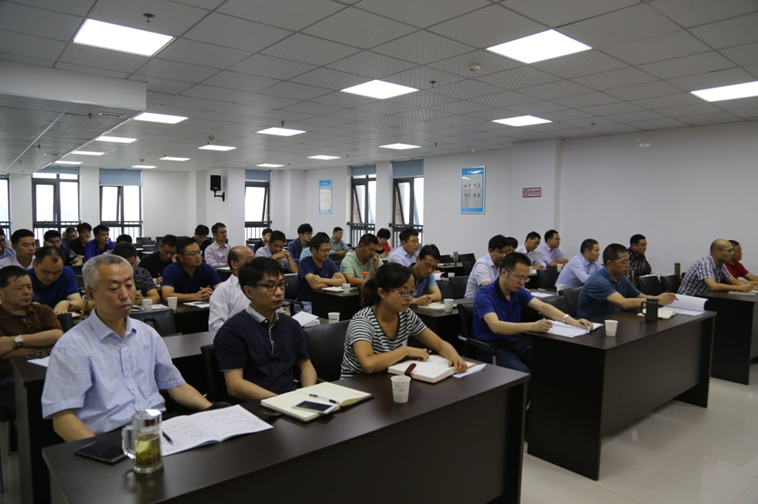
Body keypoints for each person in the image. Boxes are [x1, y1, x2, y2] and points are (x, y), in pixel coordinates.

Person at [41, 255, 213, 441]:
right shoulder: (71, 346)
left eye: (129, 285)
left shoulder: (147, 334)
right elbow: (62, 418)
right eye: (114, 288)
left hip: (157, 426)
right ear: (91, 295)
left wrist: (212, 411)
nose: (125, 295)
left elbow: (177, 386)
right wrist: (101, 451)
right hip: (109, 437)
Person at [214, 258, 317, 400]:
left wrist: (308, 395)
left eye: (281, 284)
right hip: (256, 405)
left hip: (292, 399)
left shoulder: (291, 325)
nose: (279, 292)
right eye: (270, 286)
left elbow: (305, 365)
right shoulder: (232, 331)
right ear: (249, 291)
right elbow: (235, 385)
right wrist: (281, 402)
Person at [341, 262, 467, 377]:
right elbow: (368, 364)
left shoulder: (406, 315)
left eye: (412, 291)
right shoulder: (363, 321)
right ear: (382, 293)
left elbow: (439, 344)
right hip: (356, 386)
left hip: (390, 379)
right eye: (403, 292)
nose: (409, 298)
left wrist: (454, 356)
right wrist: (406, 351)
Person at [473, 253, 592, 372]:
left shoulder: (517, 291)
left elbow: (543, 307)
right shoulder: (485, 294)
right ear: (504, 272)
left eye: (526, 278)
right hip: (491, 347)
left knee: (550, 364)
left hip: (514, 342)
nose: (522, 283)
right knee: (523, 373)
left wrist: (573, 321)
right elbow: (496, 326)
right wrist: (532, 326)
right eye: (519, 277)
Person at [0, 266, 63, 418]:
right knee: (37, 403)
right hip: (11, 376)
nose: (27, 292)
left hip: (50, 369)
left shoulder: (42, 310)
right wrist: (44, 346)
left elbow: (58, 336)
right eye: (20, 288)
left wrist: (15, 341)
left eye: (29, 286)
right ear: (1, 292)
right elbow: (2, 350)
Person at [577, 244, 677, 319]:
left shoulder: (621, 277)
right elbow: (624, 303)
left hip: (613, 320)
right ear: (610, 263)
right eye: (623, 262)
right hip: (592, 325)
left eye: (628, 261)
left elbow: (641, 296)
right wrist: (656, 301)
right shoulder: (598, 281)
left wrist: (659, 298)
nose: (628, 265)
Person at [678, 239, 753, 296]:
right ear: (717, 252)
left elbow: (734, 282)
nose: (732, 254)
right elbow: (713, 286)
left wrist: (749, 286)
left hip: (704, 298)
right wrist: (740, 288)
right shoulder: (705, 263)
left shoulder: (721, 265)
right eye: (729, 251)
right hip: (688, 299)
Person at [161, 237, 222, 303]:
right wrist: (195, 296)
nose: (198, 256)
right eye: (193, 254)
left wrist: (210, 294)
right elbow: (167, 296)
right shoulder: (171, 270)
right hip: (179, 308)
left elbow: (222, 290)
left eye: (199, 252)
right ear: (180, 257)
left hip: (202, 308)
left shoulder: (206, 268)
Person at [209, 246, 255, 331]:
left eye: (254, 259)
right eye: (249, 260)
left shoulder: (262, 285)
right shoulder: (223, 290)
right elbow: (215, 325)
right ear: (234, 264)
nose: (254, 264)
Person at [296, 233, 345, 313]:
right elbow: (315, 285)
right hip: (307, 303)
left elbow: (343, 281)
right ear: (313, 250)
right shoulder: (305, 262)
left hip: (326, 300)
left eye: (328, 250)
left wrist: (322, 280)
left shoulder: (329, 262)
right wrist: (333, 282)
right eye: (324, 250)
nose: (327, 254)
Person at [29, 246, 83, 314]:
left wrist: (67, 303)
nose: (50, 277)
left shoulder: (66, 273)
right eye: (46, 272)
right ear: (34, 264)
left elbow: (78, 302)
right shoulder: (24, 278)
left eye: (56, 273)